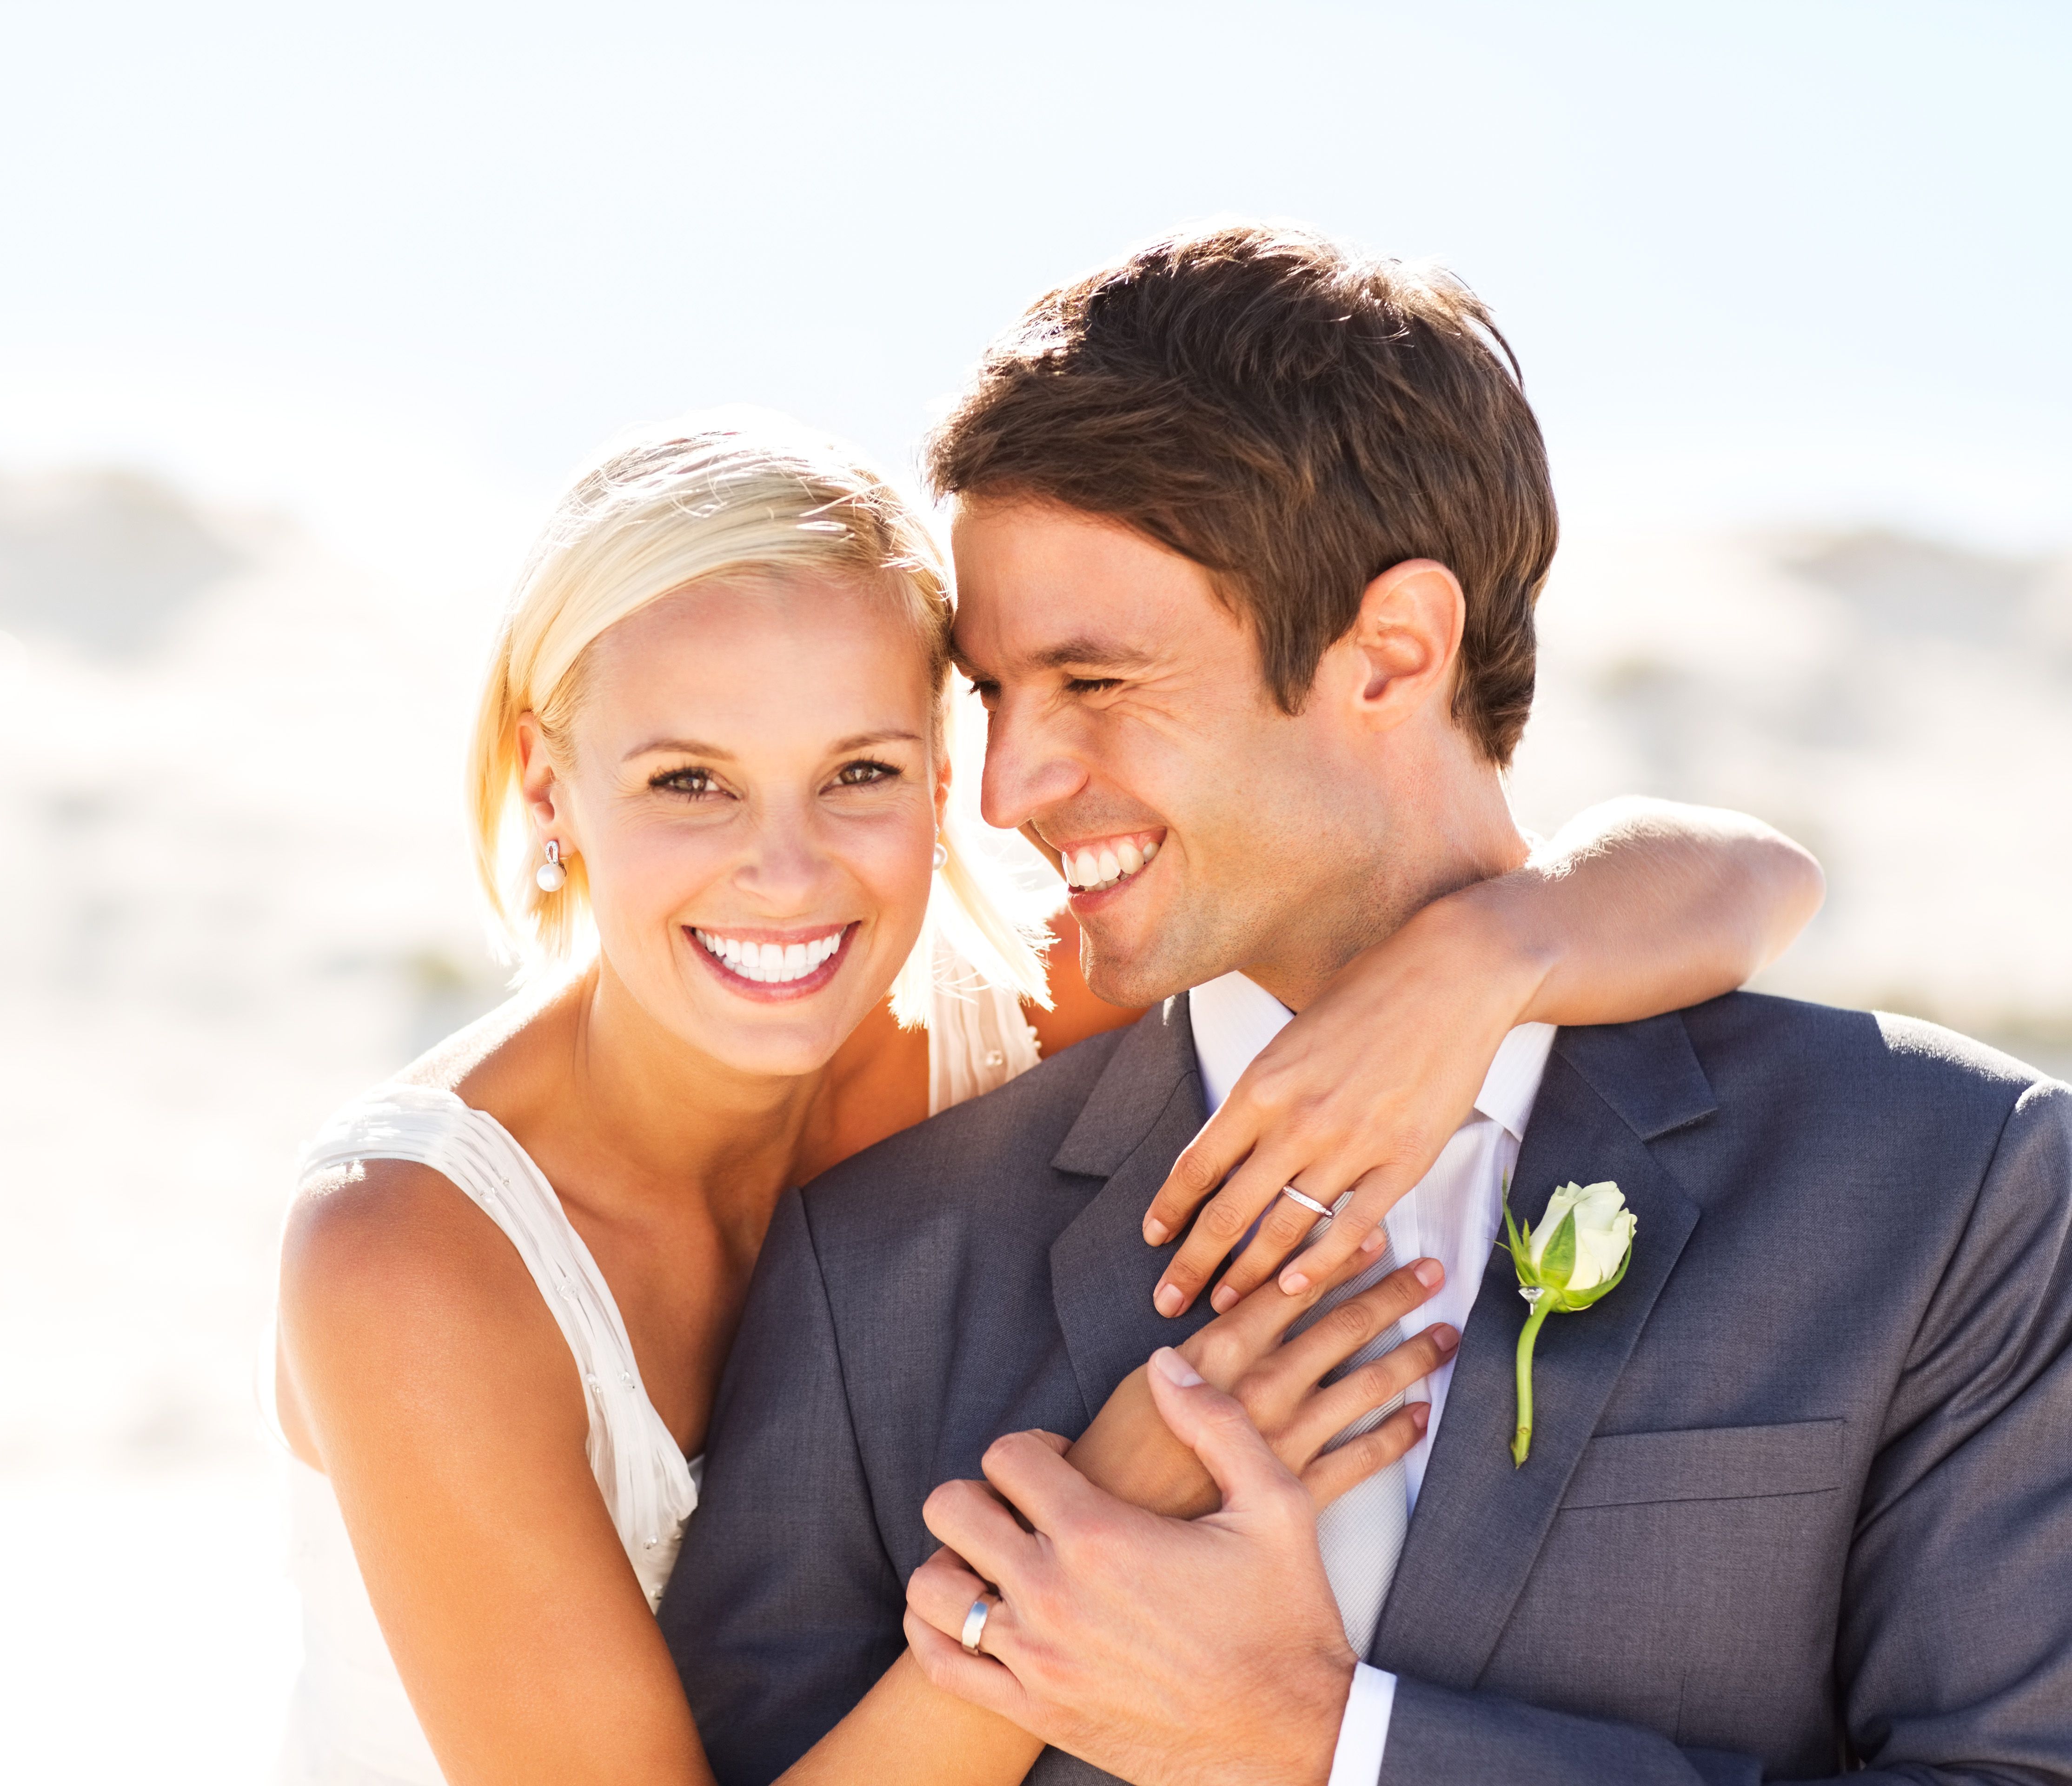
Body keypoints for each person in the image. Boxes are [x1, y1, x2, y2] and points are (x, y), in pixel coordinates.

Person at [659, 225, 2072, 1785]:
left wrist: (1316, 1744)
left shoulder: (1958, 1190)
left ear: (1392, 651)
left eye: (1097, 681)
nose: (1007, 791)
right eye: (994, 695)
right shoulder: (878, 1271)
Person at [272, 412, 1823, 1785]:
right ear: (550, 790)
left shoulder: (1029, 1003)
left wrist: (1490, 955)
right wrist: (1099, 1507)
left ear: (947, 778)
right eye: (691, 781)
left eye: (861, 773)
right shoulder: (410, 1254)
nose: (788, 869)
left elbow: (1756, 879)